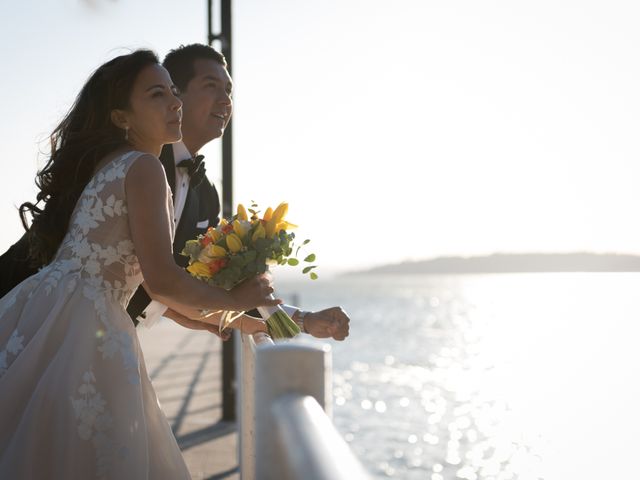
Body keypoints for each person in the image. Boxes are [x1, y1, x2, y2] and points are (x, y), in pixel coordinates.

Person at [0, 49, 279, 479]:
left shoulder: (111, 163)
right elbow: (163, 280)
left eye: (172, 92)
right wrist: (232, 301)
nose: (174, 103)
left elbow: (145, 282)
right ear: (121, 117)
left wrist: (233, 316)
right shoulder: (146, 168)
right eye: (156, 94)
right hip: (86, 322)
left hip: (49, 308)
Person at [0, 43, 349, 341]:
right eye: (211, 86)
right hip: (24, 305)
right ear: (175, 92)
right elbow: (166, 285)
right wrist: (211, 310)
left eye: (229, 91)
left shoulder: (206, 195)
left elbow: (189, 291)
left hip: (96, 332)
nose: (225, 100)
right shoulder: (138, 160)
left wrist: (299, 322)